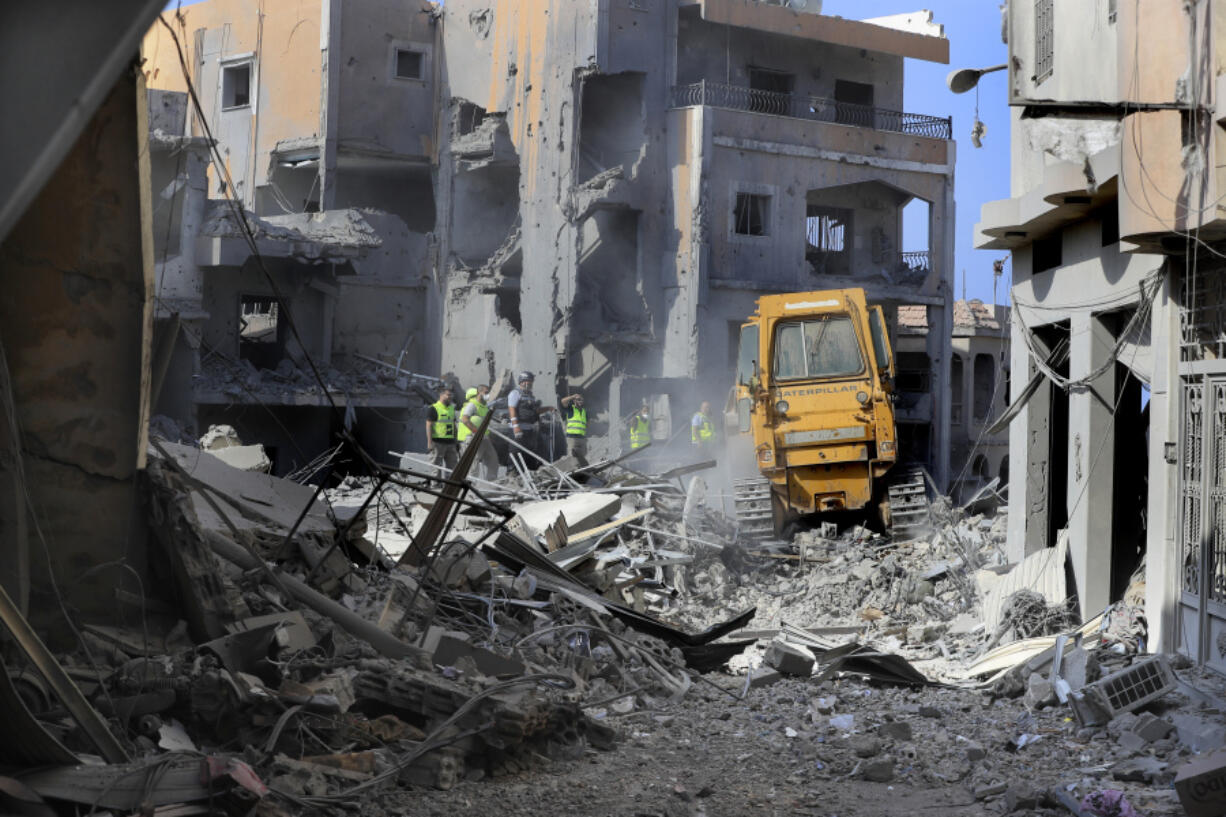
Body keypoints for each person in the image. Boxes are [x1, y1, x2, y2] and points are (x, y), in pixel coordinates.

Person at [507, 371, 556, 461]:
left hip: (529, 428)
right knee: (515, 450)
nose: (531, 383)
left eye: (531, 381)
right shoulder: (515, 393)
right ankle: (512, 471)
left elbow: (535, 411)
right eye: (529, 381)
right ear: (523, 381)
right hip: (519, 428)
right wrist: (516, 427)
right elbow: (512, 409)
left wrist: (548, 408)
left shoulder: (530, 396)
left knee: (527, 451)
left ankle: (525, 472)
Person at [458, 385, 499, 482]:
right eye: (486, 392)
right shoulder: (472, 405)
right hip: (473, 437)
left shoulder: (484, 407)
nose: (488, 395)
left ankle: (491, 483)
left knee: (493, 460)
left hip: (484, 438)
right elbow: (465, 419)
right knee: (473, 463)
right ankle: (471, 486)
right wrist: (477, 432)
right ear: (479, 393)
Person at [425, 386, 458, 476]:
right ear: (441, 395)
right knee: (436, 465)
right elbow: (428, 425)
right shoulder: (433, 408)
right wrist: (429, 442)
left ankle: (449, 485)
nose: (450, 397)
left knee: (452, 465)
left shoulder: (451, 409)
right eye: (448, 395)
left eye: (452, 395)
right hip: (438, 442)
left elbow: (453, 424)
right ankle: (435, 485)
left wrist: (456, 439)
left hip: (450, 442)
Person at [560, 389, 588, 466]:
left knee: (582, 456)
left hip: (581, 438)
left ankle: (582, 471)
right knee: (572, 457)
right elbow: (563, 401)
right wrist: (572, 396)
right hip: (572, 438)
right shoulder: (571, 409)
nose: (581, 401)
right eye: (578, 399)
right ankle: (573, 471)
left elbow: (586, 424)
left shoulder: (584, 411)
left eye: (582, 400)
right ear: (574, 401)